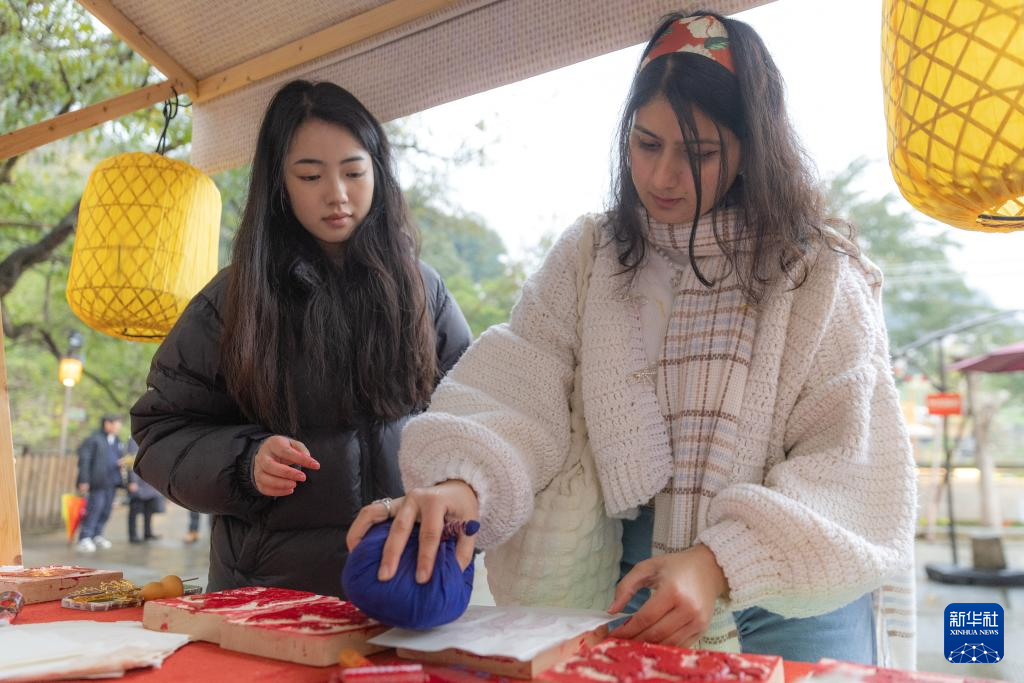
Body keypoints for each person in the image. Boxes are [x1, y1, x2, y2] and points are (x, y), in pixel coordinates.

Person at [348, 12, 916, 668]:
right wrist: (461, 484)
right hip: (636, 578)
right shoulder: (591, 257)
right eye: (647, 143)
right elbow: (518, 387)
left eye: (699, 154)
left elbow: (848, 461)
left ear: (750, 147)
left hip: (791, 587)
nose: (663, 176)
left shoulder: (817, 272)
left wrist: (719, 562)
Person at [131, 80, 472, 595]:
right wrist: (244, 462)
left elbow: (474, 414)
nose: (337, 194)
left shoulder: (424, 291)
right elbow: (160, 432)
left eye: (354, 172)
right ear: (279, 184)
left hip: (409, 584)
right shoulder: (233, 300)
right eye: (310, 175)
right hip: (269, 594)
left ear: (378, 172)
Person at [75, 415, 126, 552]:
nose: (118, 427)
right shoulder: (93, 439)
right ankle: (85, 537)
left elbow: (118, 456)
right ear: (107, 424)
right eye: (116, 424)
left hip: (112, 480)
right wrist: (83, 480)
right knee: (95, 508)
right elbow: (84, 461)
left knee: (106, 510)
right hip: (97, 481)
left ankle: (97, 535)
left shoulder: (117, 440)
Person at [124, 438, 165, 543]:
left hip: (149, 481)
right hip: (138, 480)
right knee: (135, 509)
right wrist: (132, 481)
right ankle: (133, 535)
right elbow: (131, 461)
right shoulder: (134, 440)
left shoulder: (152, 437)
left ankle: (148, 533)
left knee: (149, 509)